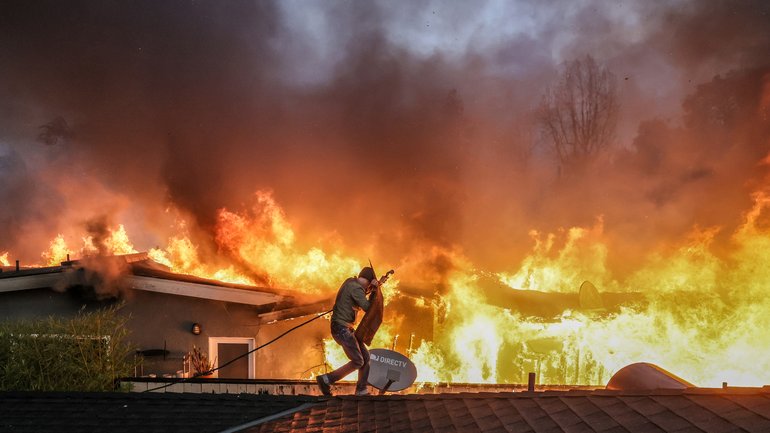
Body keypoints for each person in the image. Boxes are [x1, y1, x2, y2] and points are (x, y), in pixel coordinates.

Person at [316, 266, 380, 396]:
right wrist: (375, 291)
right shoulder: (356, 288)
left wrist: (371, 289)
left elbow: (360, 295)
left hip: (345, 328)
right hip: (342, 328)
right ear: (368, 280)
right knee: (358, 361)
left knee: (366, 358)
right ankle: (326, 379)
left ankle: (361, 390)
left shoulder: (350, 282)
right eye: (369, 284)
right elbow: (369, 308)